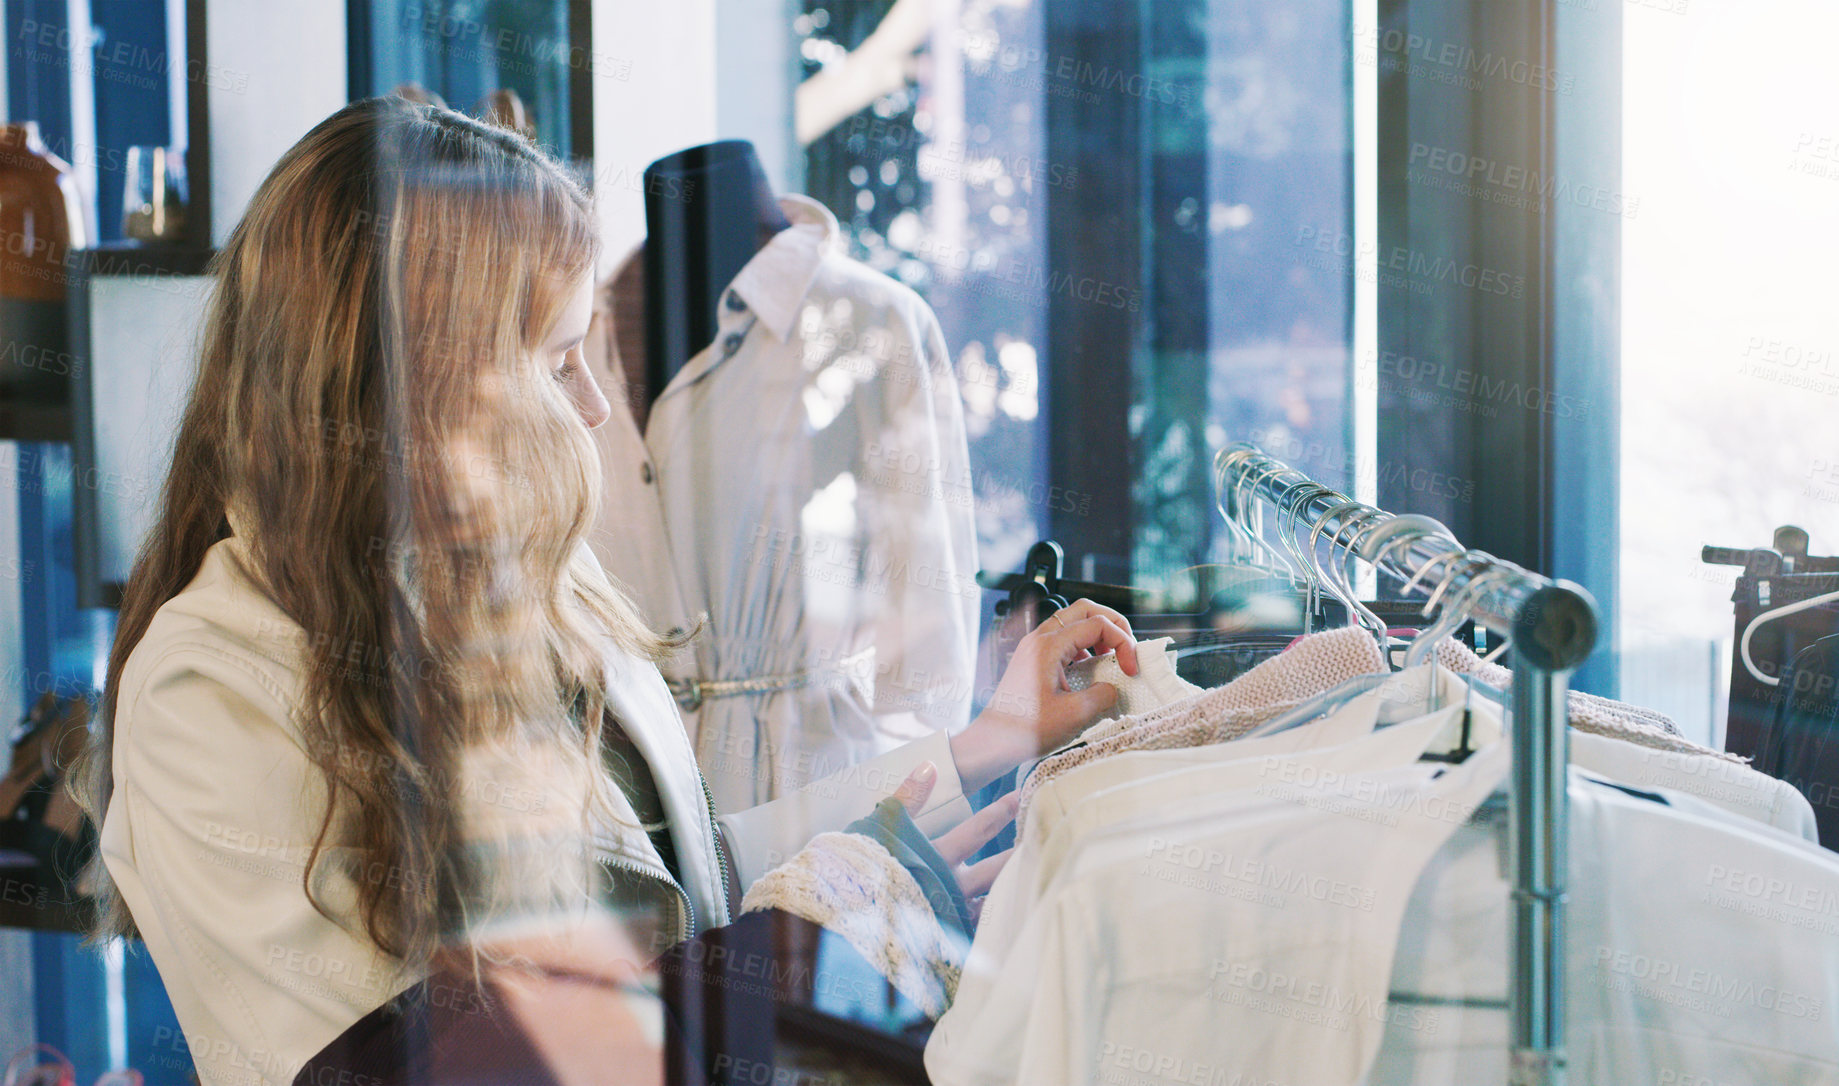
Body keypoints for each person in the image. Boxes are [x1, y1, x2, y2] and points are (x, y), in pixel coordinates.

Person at [70, 96, 1138, 1086]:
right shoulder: (210, 693)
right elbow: (431, 1068)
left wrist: (983, 745)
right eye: (560, 359)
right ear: (419, 379)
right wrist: (832, 935)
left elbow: (691, 878)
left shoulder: (527, 598)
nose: (591, 408)